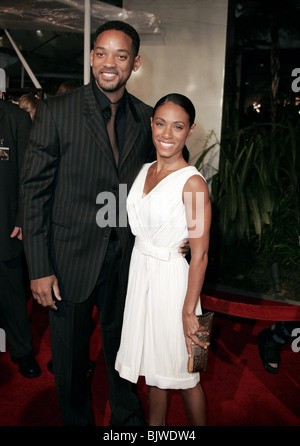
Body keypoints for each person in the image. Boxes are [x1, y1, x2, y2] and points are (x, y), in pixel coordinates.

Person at [21, 21, 187, 426]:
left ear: (135, 62)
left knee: (125, 348)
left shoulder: (146, 116)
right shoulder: (58, 111)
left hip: (128, 259)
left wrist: (182, 233)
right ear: (91, 57)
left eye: (120, 55)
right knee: (72, 358)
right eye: (101, 53)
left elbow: (165, 175)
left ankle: (126, 422)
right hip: (69, 258)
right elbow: (34, 191)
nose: (108, 63)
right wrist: (39, 268)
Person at [115, 93, 212, 426]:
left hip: (174, 285)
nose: (167, 134)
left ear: (190, 130)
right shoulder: (142, 171)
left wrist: (189, 311)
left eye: (178, 126)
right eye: (160, 123)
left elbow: (199, 254)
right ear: (151, 124)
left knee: (187, 376)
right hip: (142, 277)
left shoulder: (194, 184)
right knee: (155, 372)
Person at [0, 73, 41, 379]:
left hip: (6, 225)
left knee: (12, 293)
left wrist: (23, 217)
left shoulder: (16, 118)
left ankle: (22, 352)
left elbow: (29, 175)